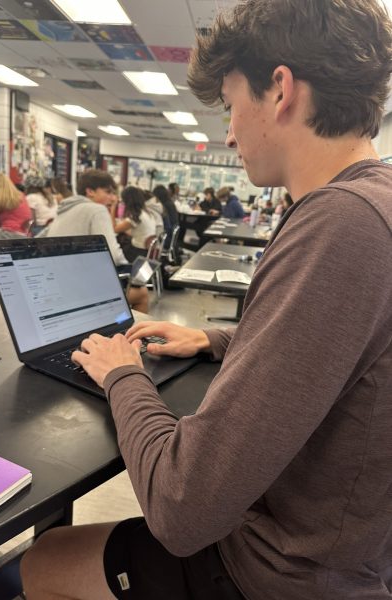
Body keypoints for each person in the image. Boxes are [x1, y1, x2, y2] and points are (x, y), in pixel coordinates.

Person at [21, 1, 392, 599]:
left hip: (286, 575)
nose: (228, 132)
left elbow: (182, 509)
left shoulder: (341, 224)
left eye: (230, 103)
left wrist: (122, 376)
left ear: (279, 89)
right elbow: (345, 350)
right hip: (349, 553)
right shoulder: (375, 203)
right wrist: (219, 339)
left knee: (46, 560)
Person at [37, 170, 149, 313]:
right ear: (90, 191)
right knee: (142, 294)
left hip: (55, 284)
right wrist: (128, 268)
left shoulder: (64, 210)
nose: (113, 198)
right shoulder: (97, 210)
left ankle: (116, 322)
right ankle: (125, 329)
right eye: (108, 192)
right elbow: (113, 255)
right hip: (79, 289)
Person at [112, 186, 157, 262]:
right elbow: (140, 232)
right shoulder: (147, 213)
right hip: (147, 252)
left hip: (137, 253)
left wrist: (113, 207)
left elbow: (114, 229)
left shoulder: (136, 216)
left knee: (115, 250)